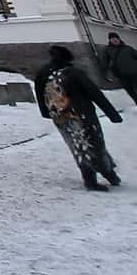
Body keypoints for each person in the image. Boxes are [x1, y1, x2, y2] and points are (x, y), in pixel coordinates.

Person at [35, 44, 123, 190]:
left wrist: (46, 113)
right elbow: (94, 92)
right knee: (94, 143)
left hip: (61, 117)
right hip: (82, 114)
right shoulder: (73, 72)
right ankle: (106, 174)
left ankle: (92, 177)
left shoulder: (43, 73)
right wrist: (112, 114)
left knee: (77, 147)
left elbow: (39, 94)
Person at [101, 32, 137, 106]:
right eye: (112, 39)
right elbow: (105, 62)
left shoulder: (128, 48)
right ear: (109, 40)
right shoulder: (108, 50)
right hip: (122, 75)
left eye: (115, 38)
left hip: (135, 72)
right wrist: (105, 72)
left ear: (119, 39)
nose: (114, 40)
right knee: (131, 91)